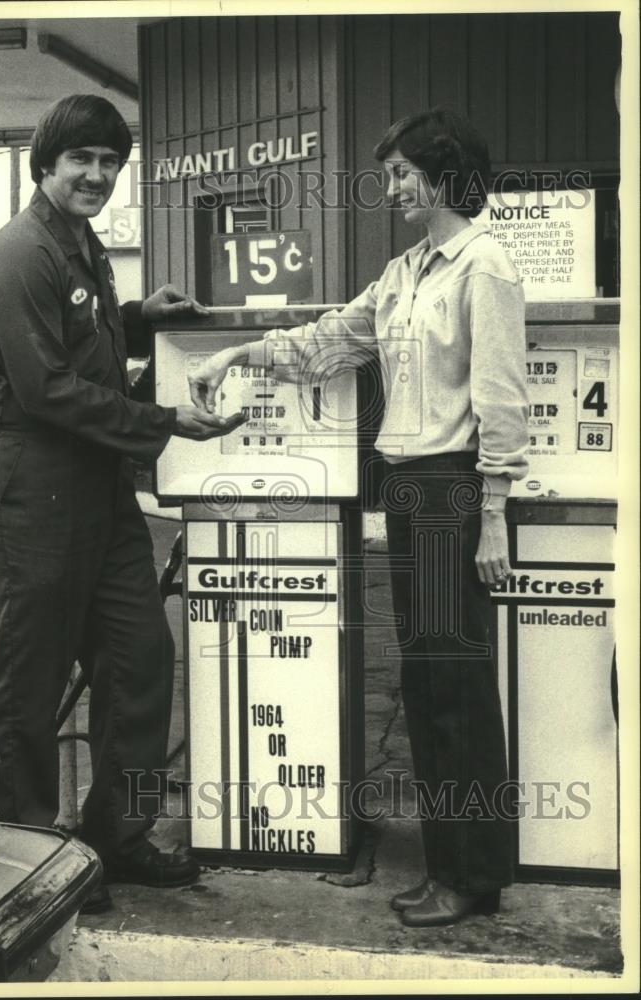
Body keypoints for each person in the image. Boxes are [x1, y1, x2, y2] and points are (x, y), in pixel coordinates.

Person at [188, 108, 529, 928]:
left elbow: (501, 399)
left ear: (445, 174)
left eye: (406, 171)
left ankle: (472, 874)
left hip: (453, 492)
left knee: (455, 689)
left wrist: (493, 516)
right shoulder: (407, 270)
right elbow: (330, 340)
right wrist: (237, 352)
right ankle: (453, 865)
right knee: (425, 682)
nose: (393, 184)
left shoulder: (484, 266)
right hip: (410, 492)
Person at [0, 94, 234, 913]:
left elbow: (76, 335)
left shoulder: (77, 244)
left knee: (139, 661)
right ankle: (27, 857)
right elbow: (45, 386)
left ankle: (115, 837)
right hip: (32, 479)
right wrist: (164, 421)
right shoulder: (18, 254)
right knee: (31, 679)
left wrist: (137, 318)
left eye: (110, 163)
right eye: (80, 159)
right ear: (45, 162)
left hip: (98, 483)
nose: (96, 175)